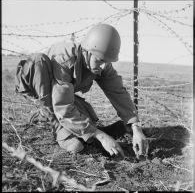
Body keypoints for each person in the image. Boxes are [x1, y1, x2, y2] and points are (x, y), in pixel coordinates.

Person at [15, 23, 148, 159]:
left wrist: (135, 127)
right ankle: (54, 123)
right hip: (39, 85)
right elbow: (62, 106)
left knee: (86, 121)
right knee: (39, 61)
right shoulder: (65, 58)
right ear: (87, 51)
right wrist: (101, 136)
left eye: (106, 62)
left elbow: (118, 92)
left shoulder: (101, 62)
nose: (103, 66)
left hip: (61, 93)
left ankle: (83, 130)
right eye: (100, 60)